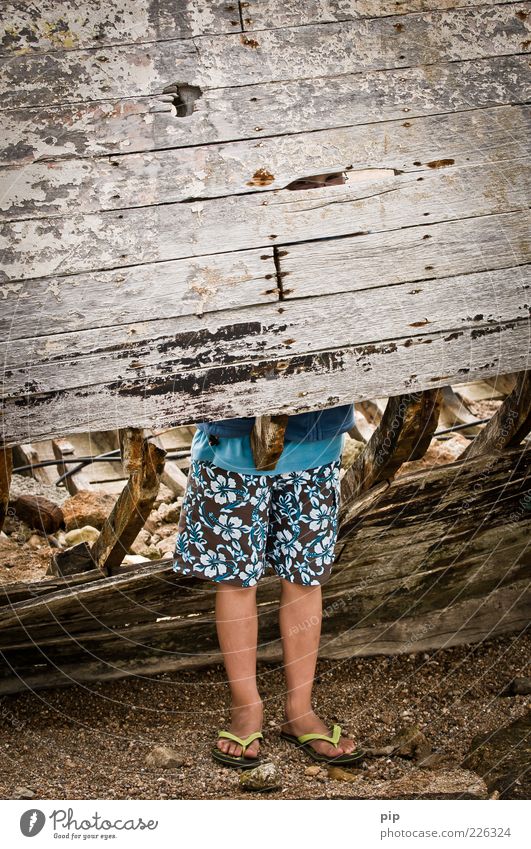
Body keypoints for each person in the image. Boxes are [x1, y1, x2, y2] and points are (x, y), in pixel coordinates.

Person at [172, 403, 365, 769]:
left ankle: (299, 709)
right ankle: (246, 705)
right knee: (235, 577)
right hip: (232, 444)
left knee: (304, 577)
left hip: (316, 440)